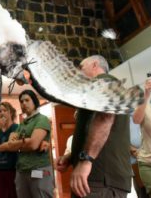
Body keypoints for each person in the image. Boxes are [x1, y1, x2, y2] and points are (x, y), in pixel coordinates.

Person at [55, 55, 132, 198]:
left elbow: (105, 118)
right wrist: (72, 156)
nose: (78, 72)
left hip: (101, 179)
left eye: (81, 67)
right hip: (96, 179)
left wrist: (86, 160)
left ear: (95, 65)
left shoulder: (104, 81)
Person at [0, 89, 54, 198]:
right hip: (21, 170)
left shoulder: (42, 119)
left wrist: (21, 144)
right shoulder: (22, 124)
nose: (24, 103)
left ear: (34, 102)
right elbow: (10, 145)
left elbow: (33, 144)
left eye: (27, 100)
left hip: (38, 169)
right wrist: (26, 142)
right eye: (21, 101)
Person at [0, 102, 19, 198]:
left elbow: (11, 146)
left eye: (5, 110)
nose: (2, 113)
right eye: (0, 111)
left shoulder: (16, 127)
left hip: (12, 169)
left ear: (11, 113)